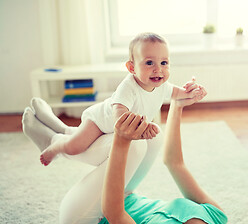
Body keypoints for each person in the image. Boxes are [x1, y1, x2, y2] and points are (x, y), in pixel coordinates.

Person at [30, 32, 201, 166]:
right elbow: (119, 116)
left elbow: (177, 93)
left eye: (164, 63)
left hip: (114, 129)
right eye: (149, 63)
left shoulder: (162, 85)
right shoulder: (128, 87)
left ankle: (63, 129)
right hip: (100, 121)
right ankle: (55, 147)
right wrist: (142, 127)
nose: (159, 69)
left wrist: (192, 91)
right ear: (132, 67)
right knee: (76, 146)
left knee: (83, 138)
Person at [99, 95, 228, 223]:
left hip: (100, 211)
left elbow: (114, 214)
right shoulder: (215, 217)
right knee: (154, 138)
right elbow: (174, 163)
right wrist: (177, 104)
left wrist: (121, 138)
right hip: (127, 193)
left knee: (129, 143)